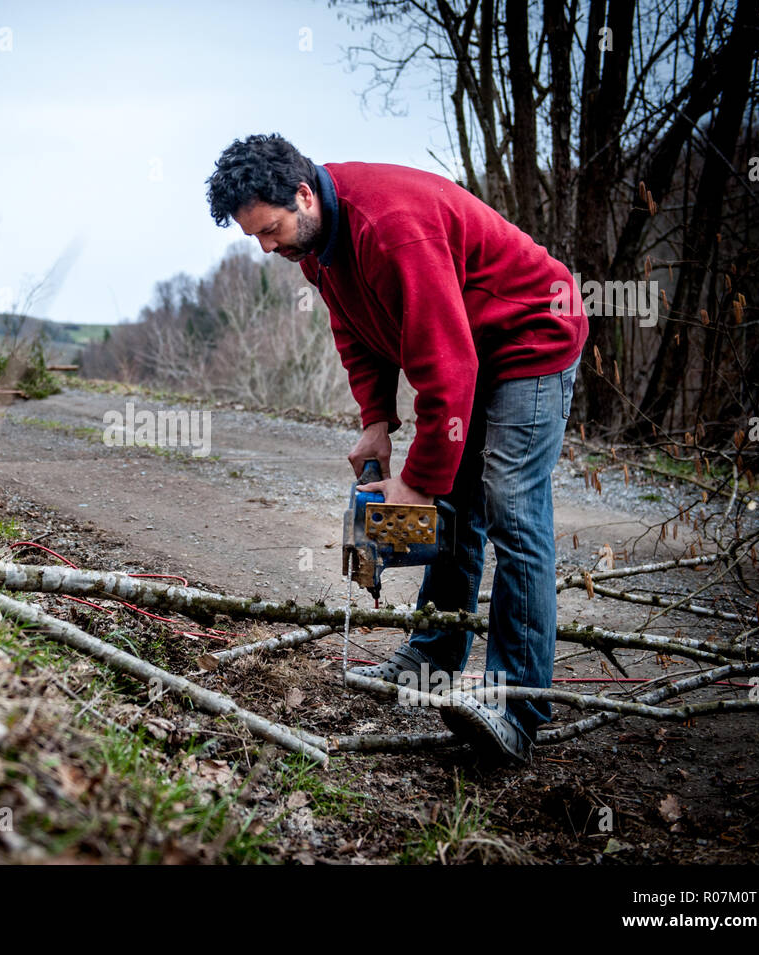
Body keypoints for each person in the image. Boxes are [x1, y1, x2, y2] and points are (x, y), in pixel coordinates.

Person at [205, 134, 588, 764]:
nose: (268, 247)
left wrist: (417, 482)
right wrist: (376, 421)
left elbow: (447, 365)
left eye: (270, 229)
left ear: (303, 195)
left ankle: (515, 707)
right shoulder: (318, 244)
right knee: (457, 506)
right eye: (256, 238)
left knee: (510, 506)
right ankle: (431, 660)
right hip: (471, 349)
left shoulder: (390, 227)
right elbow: (354, 331)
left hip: (531, 335)